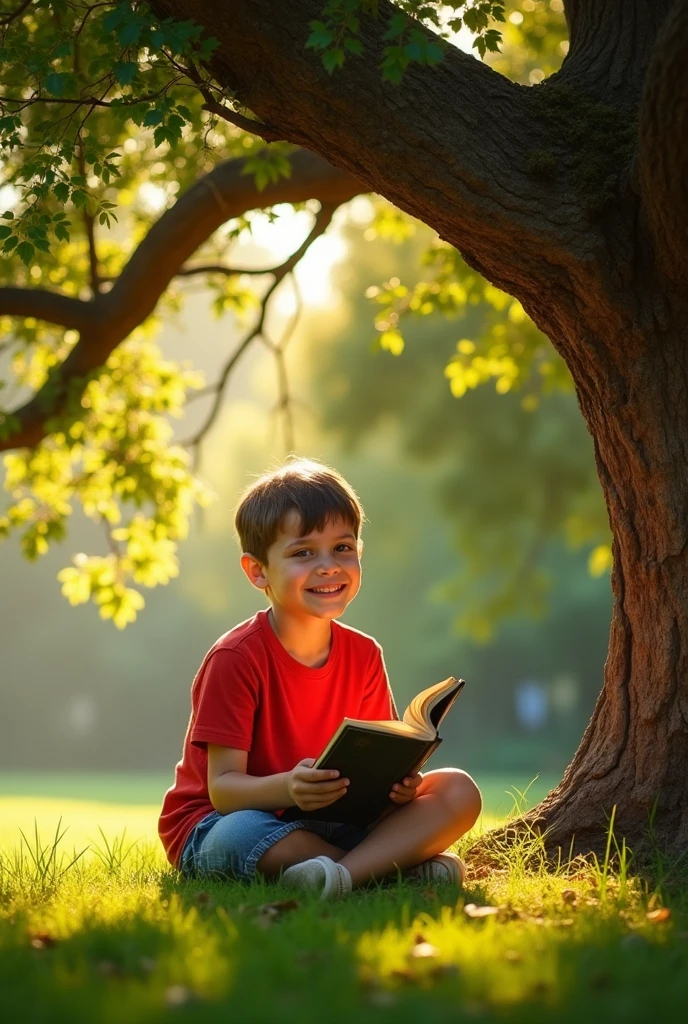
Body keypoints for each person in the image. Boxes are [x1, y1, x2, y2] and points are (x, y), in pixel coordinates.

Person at [158, 458, 481, 899]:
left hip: (332, 820)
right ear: (257, 572)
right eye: (303, 553)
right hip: (228, 823)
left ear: (359, 552)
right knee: (241, 833)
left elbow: (372, 761)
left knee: (458, 789)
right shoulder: (236, 658)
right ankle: (385, 869)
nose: (328, 566)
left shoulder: (364, 654)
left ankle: (340, 876)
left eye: (342, 548)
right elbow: (223, 792)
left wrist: (397, 789)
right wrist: (289, 786)